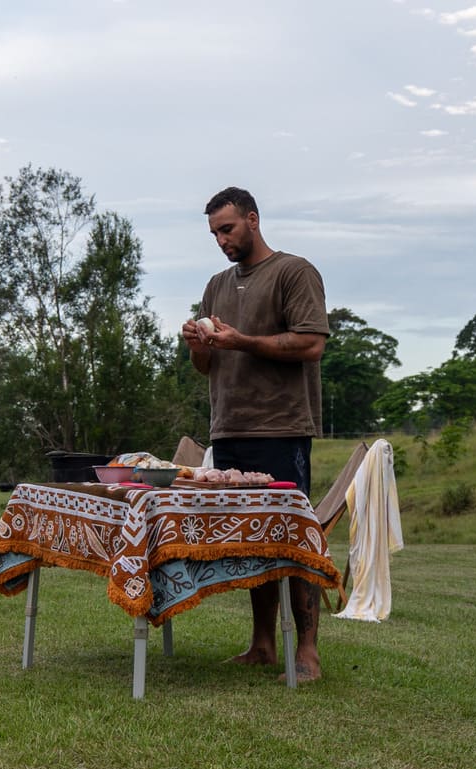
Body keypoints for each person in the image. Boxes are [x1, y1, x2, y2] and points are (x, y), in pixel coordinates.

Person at [180, 186, 331, 682]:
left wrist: (240, 340)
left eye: (228, 229)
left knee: (292, 538)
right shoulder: (216, 284)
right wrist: (198, 343)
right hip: (228, 429)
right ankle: (263, 644)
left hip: (281, 428)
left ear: (252, 219)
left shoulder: (293, 272)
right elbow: (208, 366)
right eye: (214, 234)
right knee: (250, 541)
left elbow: (310, 344)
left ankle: (306, 651)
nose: (221, 240)